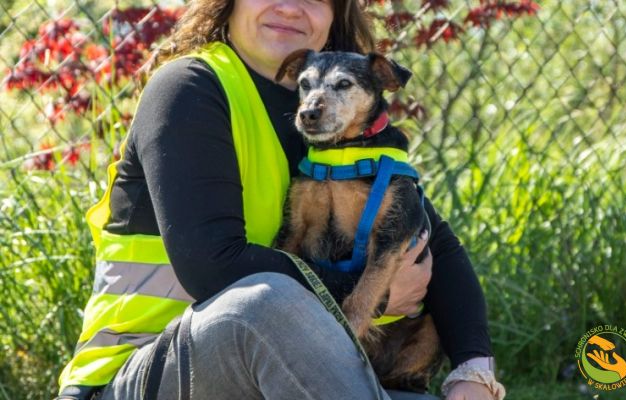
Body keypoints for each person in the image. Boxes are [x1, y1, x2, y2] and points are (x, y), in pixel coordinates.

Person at [56, 0, 506, 398]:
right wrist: (374, 295)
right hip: (147, 369)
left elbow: (436, 244)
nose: (290, 7)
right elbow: (211, 266)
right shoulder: (188, 89)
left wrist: (473, 371)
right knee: (262, 302)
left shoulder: (338, 125)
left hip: (290, 369)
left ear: (335, 14)